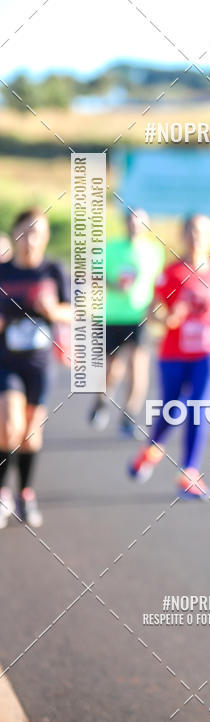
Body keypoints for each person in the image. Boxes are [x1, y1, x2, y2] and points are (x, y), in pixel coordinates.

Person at [128, 214, 210, 499]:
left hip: (209, 352)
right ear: (183, 235)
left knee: (198, 407)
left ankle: (189, 472)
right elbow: (151, 311)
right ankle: (150, 450)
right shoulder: (173, 273)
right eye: (191, 231)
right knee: (172, 409)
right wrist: (167, 321)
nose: (196, 236)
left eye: (202, 231)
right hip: (174, 352)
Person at [0, 208, 70, 529]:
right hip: (7, 362)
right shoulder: (3, 272)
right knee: (8, 424)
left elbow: (74, 312)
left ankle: (26, 493)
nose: (31, 240)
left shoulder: (53, 270)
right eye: (25, 232)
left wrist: (53, 310)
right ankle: (3, 493)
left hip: (39, 366)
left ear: (46, 239)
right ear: (15, 234)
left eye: (38, 233)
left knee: (30, 434)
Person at [89, 208, 164, 437]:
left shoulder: (154, 252)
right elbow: (93, 276)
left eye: (140, 222)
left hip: (138, 317)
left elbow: (158, 286)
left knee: (137, 368)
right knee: (112, 369)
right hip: (111, 316)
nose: (135, 226)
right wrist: (113, 284)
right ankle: (101, 400)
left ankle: (129, 417)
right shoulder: (110, 249)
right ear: (125, 224)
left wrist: (156, 310)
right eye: (132, 221)